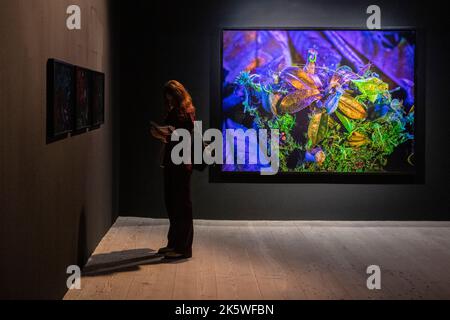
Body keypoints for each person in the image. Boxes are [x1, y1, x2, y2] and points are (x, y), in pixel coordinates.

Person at [151, 80, 195, 260]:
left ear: (177, 94)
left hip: (181, 162)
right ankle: (173, 243)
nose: (167, 98)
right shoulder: (176, 110)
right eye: (166, 96)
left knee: (181, 205)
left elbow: (187, 134)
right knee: (172, 203)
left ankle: (183, 248)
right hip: (172, 160)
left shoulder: (186, 111)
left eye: (170, 95)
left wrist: (168, 133)